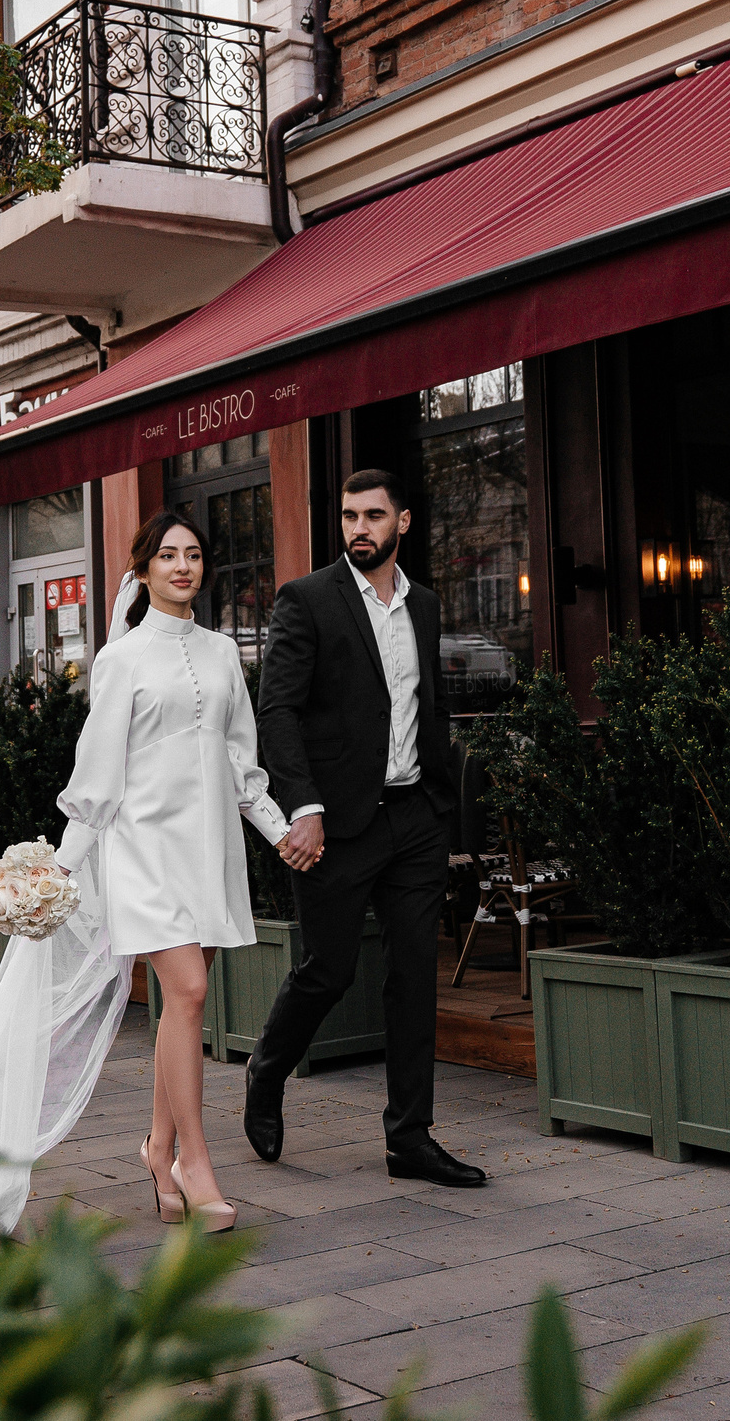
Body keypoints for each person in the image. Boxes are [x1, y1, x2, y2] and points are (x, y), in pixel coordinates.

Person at [0, 511, 289, 1234]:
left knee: (181, 1004)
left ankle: (157, 1150)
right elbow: (97, 776)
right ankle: (195, 1163)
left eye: (194, 554)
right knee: (190, 989)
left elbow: (240, 762)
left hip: (207, 850)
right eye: (168, 555)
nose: (183, 566)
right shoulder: (122, 657)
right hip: (142, 852)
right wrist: (57, 871)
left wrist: (280, 831)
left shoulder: (225, 652)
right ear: (144, 568)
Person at [246, 469, 487, 1189]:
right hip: (338, 822)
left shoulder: (427, 606)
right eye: (349, 513)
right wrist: (304, 806)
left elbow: (424, 706)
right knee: (330, 968)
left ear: (402, 522)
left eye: (373, 515)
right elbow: (277, 711)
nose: (359, 526)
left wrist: (444, 804)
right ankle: (267, 1067)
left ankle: (409, 1137)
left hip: (414, 817)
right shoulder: (308, 599)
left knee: (415, 975)